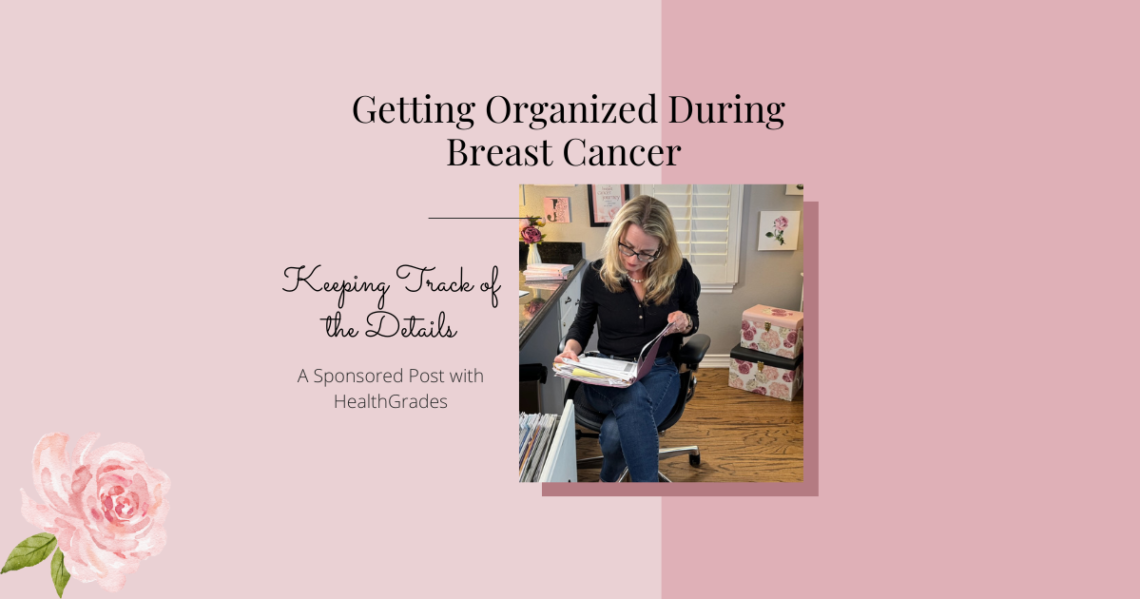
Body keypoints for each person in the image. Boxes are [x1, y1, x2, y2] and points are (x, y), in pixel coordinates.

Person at [555, 195, 700, 482]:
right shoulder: (597, 274)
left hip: (659, 370)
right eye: (628, 248)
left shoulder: (679, 272)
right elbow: (581, 326)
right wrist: (570, 350)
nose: (634, 260)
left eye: (647, 253)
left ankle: (608, 480)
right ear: (617, 236)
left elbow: (693, 320)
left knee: (613, 432)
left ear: (663, 247)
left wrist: (685, 322)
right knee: (631, 396)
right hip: (607, 372)